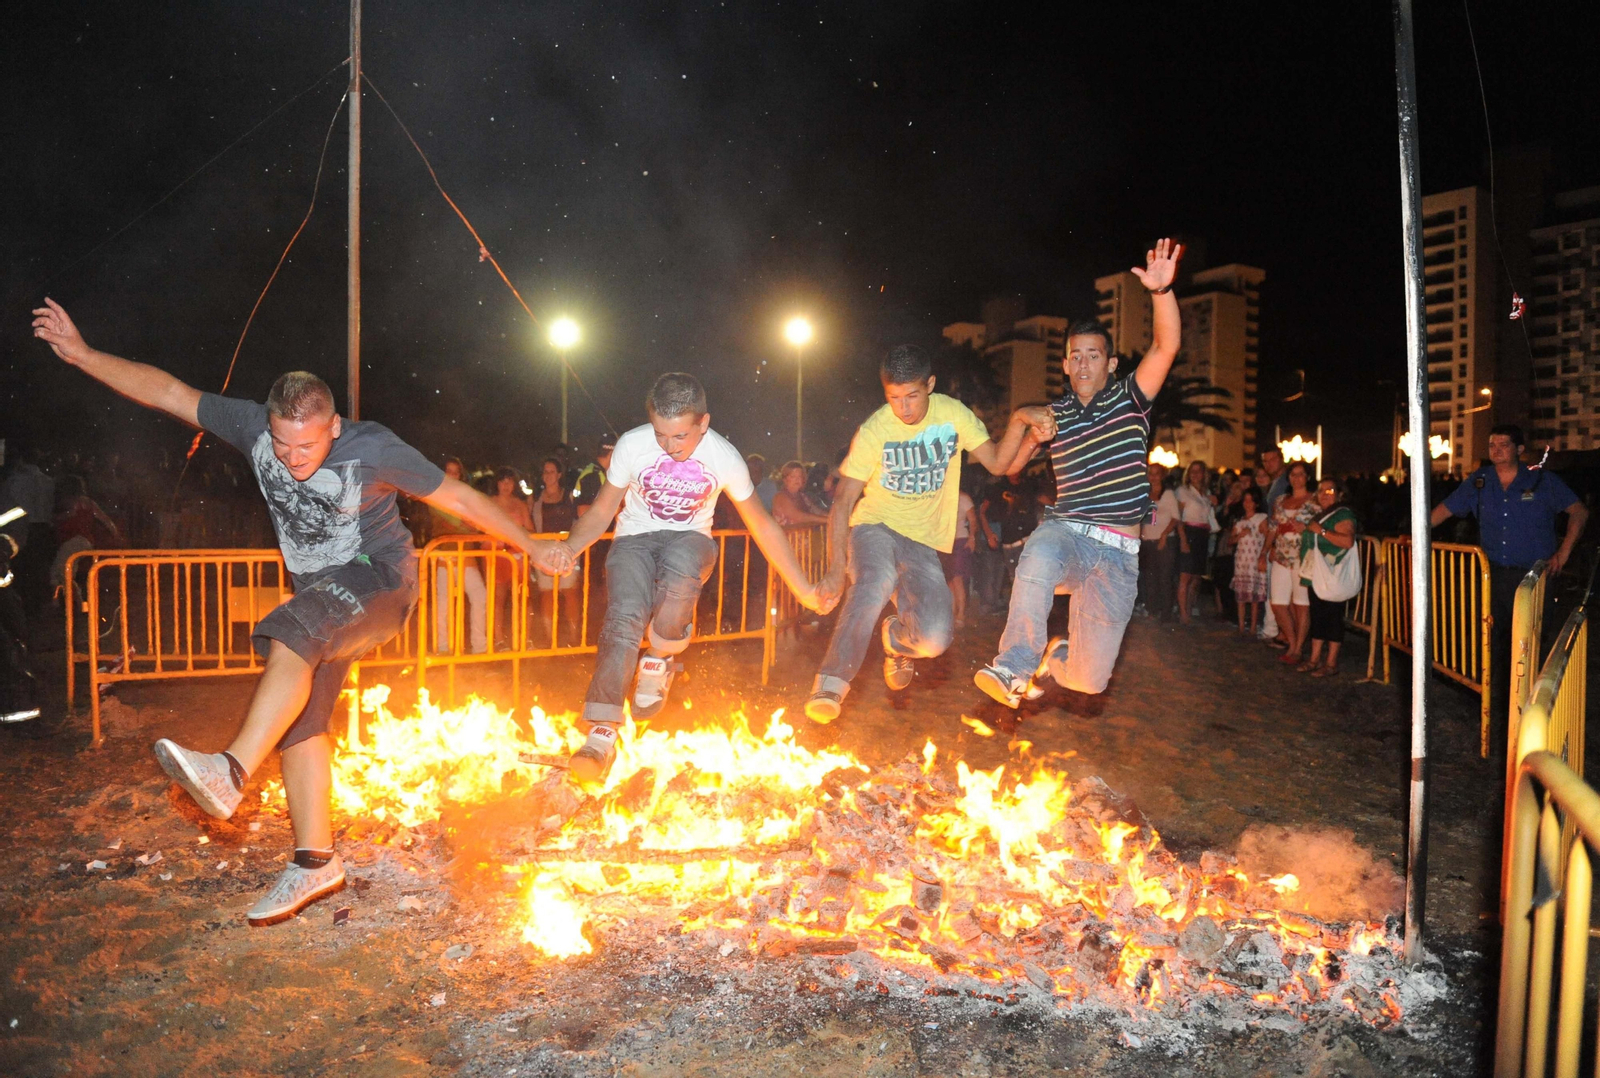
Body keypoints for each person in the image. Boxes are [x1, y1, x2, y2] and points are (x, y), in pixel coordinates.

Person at [32, 298, 560, 926]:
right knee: (301, 721)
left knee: (292, 628)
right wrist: (85, 354)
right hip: (322, 590)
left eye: (307, 445)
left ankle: (229, 772)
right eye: (282, 444)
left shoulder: (372, 447)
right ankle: (316, 863)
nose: (292, 457)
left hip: (379, 582)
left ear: (334, 427)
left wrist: (531, 544)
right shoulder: (254, 425)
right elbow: (170, 392)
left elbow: (459, 498)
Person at [542, 373, 832, 781]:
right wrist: (569, 548)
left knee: (682, 560)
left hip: (691, 539)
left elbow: (763, 525)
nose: (669, 446)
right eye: (661, 435)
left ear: (703, 423)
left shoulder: (724, 457)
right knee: (623, 616)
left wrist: (803, 589)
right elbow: (603, 510)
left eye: (680, 436)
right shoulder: (632, 445)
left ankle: (659, 660)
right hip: (634, 540)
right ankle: (602, 729)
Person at [973, 238, 1185, 708]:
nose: (1084, 363)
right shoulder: (1052, 415)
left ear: (1110, 363)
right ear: (1065, 363)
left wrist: (1162, 291)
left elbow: (1166, 344)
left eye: (1094, 355)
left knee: (1088, 683)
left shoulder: (1129, 397)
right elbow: (1006, 465)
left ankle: (1061, 653)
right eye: (1076, 355)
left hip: (1119, 555)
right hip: (1068, 534)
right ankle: (1013, 666)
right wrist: (1021, 420)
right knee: (1038, 555)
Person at [803, 345, 1052, 723]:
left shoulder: (952, 415)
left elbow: (1000, 463)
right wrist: (838, 569)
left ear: (930, 385)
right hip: (875, 526)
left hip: (921, 542)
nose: (903, 408)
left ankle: (895, 638)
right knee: (873, 584)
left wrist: (1020, 423)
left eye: (912, 397)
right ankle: (831, 680)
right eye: (894, 398)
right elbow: (843, 500)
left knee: (934, 639)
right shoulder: (876, 429)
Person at [1429, 423, 1587, 727]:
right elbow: (1445, 510)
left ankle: (1534, 713)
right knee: (1492, 642)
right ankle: (1497, 709)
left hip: (1534, 576)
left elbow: (1579, 511)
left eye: (1503, 444)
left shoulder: (1542, 480)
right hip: (1494, 577)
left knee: (1533, 643)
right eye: (1492, 444)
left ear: (1519, 449)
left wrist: (1564, 551)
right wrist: (1414, 532)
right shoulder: (1480, 481)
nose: (1496, 450)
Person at [1298, 478, 1358, 677]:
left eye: (1330, 490)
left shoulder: (1343, 514)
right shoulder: (1322, 514)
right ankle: (1314, 659)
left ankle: (1331, 663)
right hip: (1317, 575)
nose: (1324, 494)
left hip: (1333, 575)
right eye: (1321, 490)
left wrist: (1321, 531)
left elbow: (1347, 541)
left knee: (1332, 617)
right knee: (1318, 616)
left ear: (1340, 494)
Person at [427, 458, 488, 655]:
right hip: (444, 555)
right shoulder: (435, 496)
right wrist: (471, 526)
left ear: (460, 475)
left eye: (455, 472)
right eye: (448, 471)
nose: (452, 475)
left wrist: (472, 526)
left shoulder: (465, 497)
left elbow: (475, 524)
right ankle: (443, 647)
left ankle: (480, 646)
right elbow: (461, 523)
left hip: (466, 554)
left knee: (479, 596)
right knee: (443, 603)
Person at [1267, 461, 1318, 665]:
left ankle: (1297, 648)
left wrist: (1305, 528)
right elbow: (1272, 527)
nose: (1297, 478)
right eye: (1293, 474)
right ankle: (1293, 640)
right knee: (1278, 602)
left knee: (1301, 604)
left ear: (1307, 477)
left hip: (1302, 556)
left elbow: (1319, 525)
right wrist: (1266, 550)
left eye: (1301, 474)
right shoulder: (1280, 500)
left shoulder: (1315, 501)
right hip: (1281, 555)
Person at [531, 457, 582, 646]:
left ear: (559, 474)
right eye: (545, 471)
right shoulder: (536, 499)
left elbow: (578, 522)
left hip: (568, 551)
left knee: (570, 593)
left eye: (552, 471)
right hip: (545, 551)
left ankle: (574, 638)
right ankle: (549, 637)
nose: (548, 475)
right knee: (546, 594)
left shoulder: (569, 496)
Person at [1173, 460, 1217, 625]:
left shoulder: (1206, 493)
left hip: (1203, 534)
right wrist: (1183, 538)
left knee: (1197, 577)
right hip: (1189, 532)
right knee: (1185, 575)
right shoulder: (1183, 491)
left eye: (1199, 471)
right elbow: (1178, 517)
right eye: (1193, 471)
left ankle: (1189, 609)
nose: (1196, 474)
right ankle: (1183, 613)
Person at [1139, 463, 1180, 621]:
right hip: (1148, 540)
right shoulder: (1145, 494)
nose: (1153, 477)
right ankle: (1152, 610)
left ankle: (1166, 612)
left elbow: (1175, 518)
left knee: (1164, 577)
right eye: (1151, 474)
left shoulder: (1168, 494)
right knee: (1150, 578)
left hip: (1165, 541)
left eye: (1157, 474)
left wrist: (1164, 535)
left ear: (1162, 475)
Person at [1230, 487, 1270, 636]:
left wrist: (1264, 555)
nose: (1248, 503)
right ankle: (1241, 626)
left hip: (1254, 562)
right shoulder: (1240, 522)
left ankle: (1253, 627)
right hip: (1241, 562)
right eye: (1245, 500)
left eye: (1251, 501)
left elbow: (1267, 537)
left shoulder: (1261, 519)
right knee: (1241, 596)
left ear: (1256, 503)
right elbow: (1230, 541)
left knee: (1254, 597)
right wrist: (1239, 536)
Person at [941, 482, 979, 628]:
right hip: (945, 543)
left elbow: (973, 520)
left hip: (960, 540)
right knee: (949, 579)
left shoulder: (963, 498)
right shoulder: (942, 497)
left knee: (958, 578)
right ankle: (952, 612)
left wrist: (972, 538)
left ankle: (961, 614)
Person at [772, 460, 829, 527]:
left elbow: (818, 511)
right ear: (785, 479)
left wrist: (832, 516)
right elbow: (798, 516)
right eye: (793, 476)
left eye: (799, 476)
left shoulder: (803, 496)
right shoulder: (780, 497)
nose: (797, 479)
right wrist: (827, 520)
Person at [574, 434, 617, 516]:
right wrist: (614, 510)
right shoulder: (593, 476)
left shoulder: (597, 472)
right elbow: (582, 511)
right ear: (612, 454)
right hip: (589, 528)